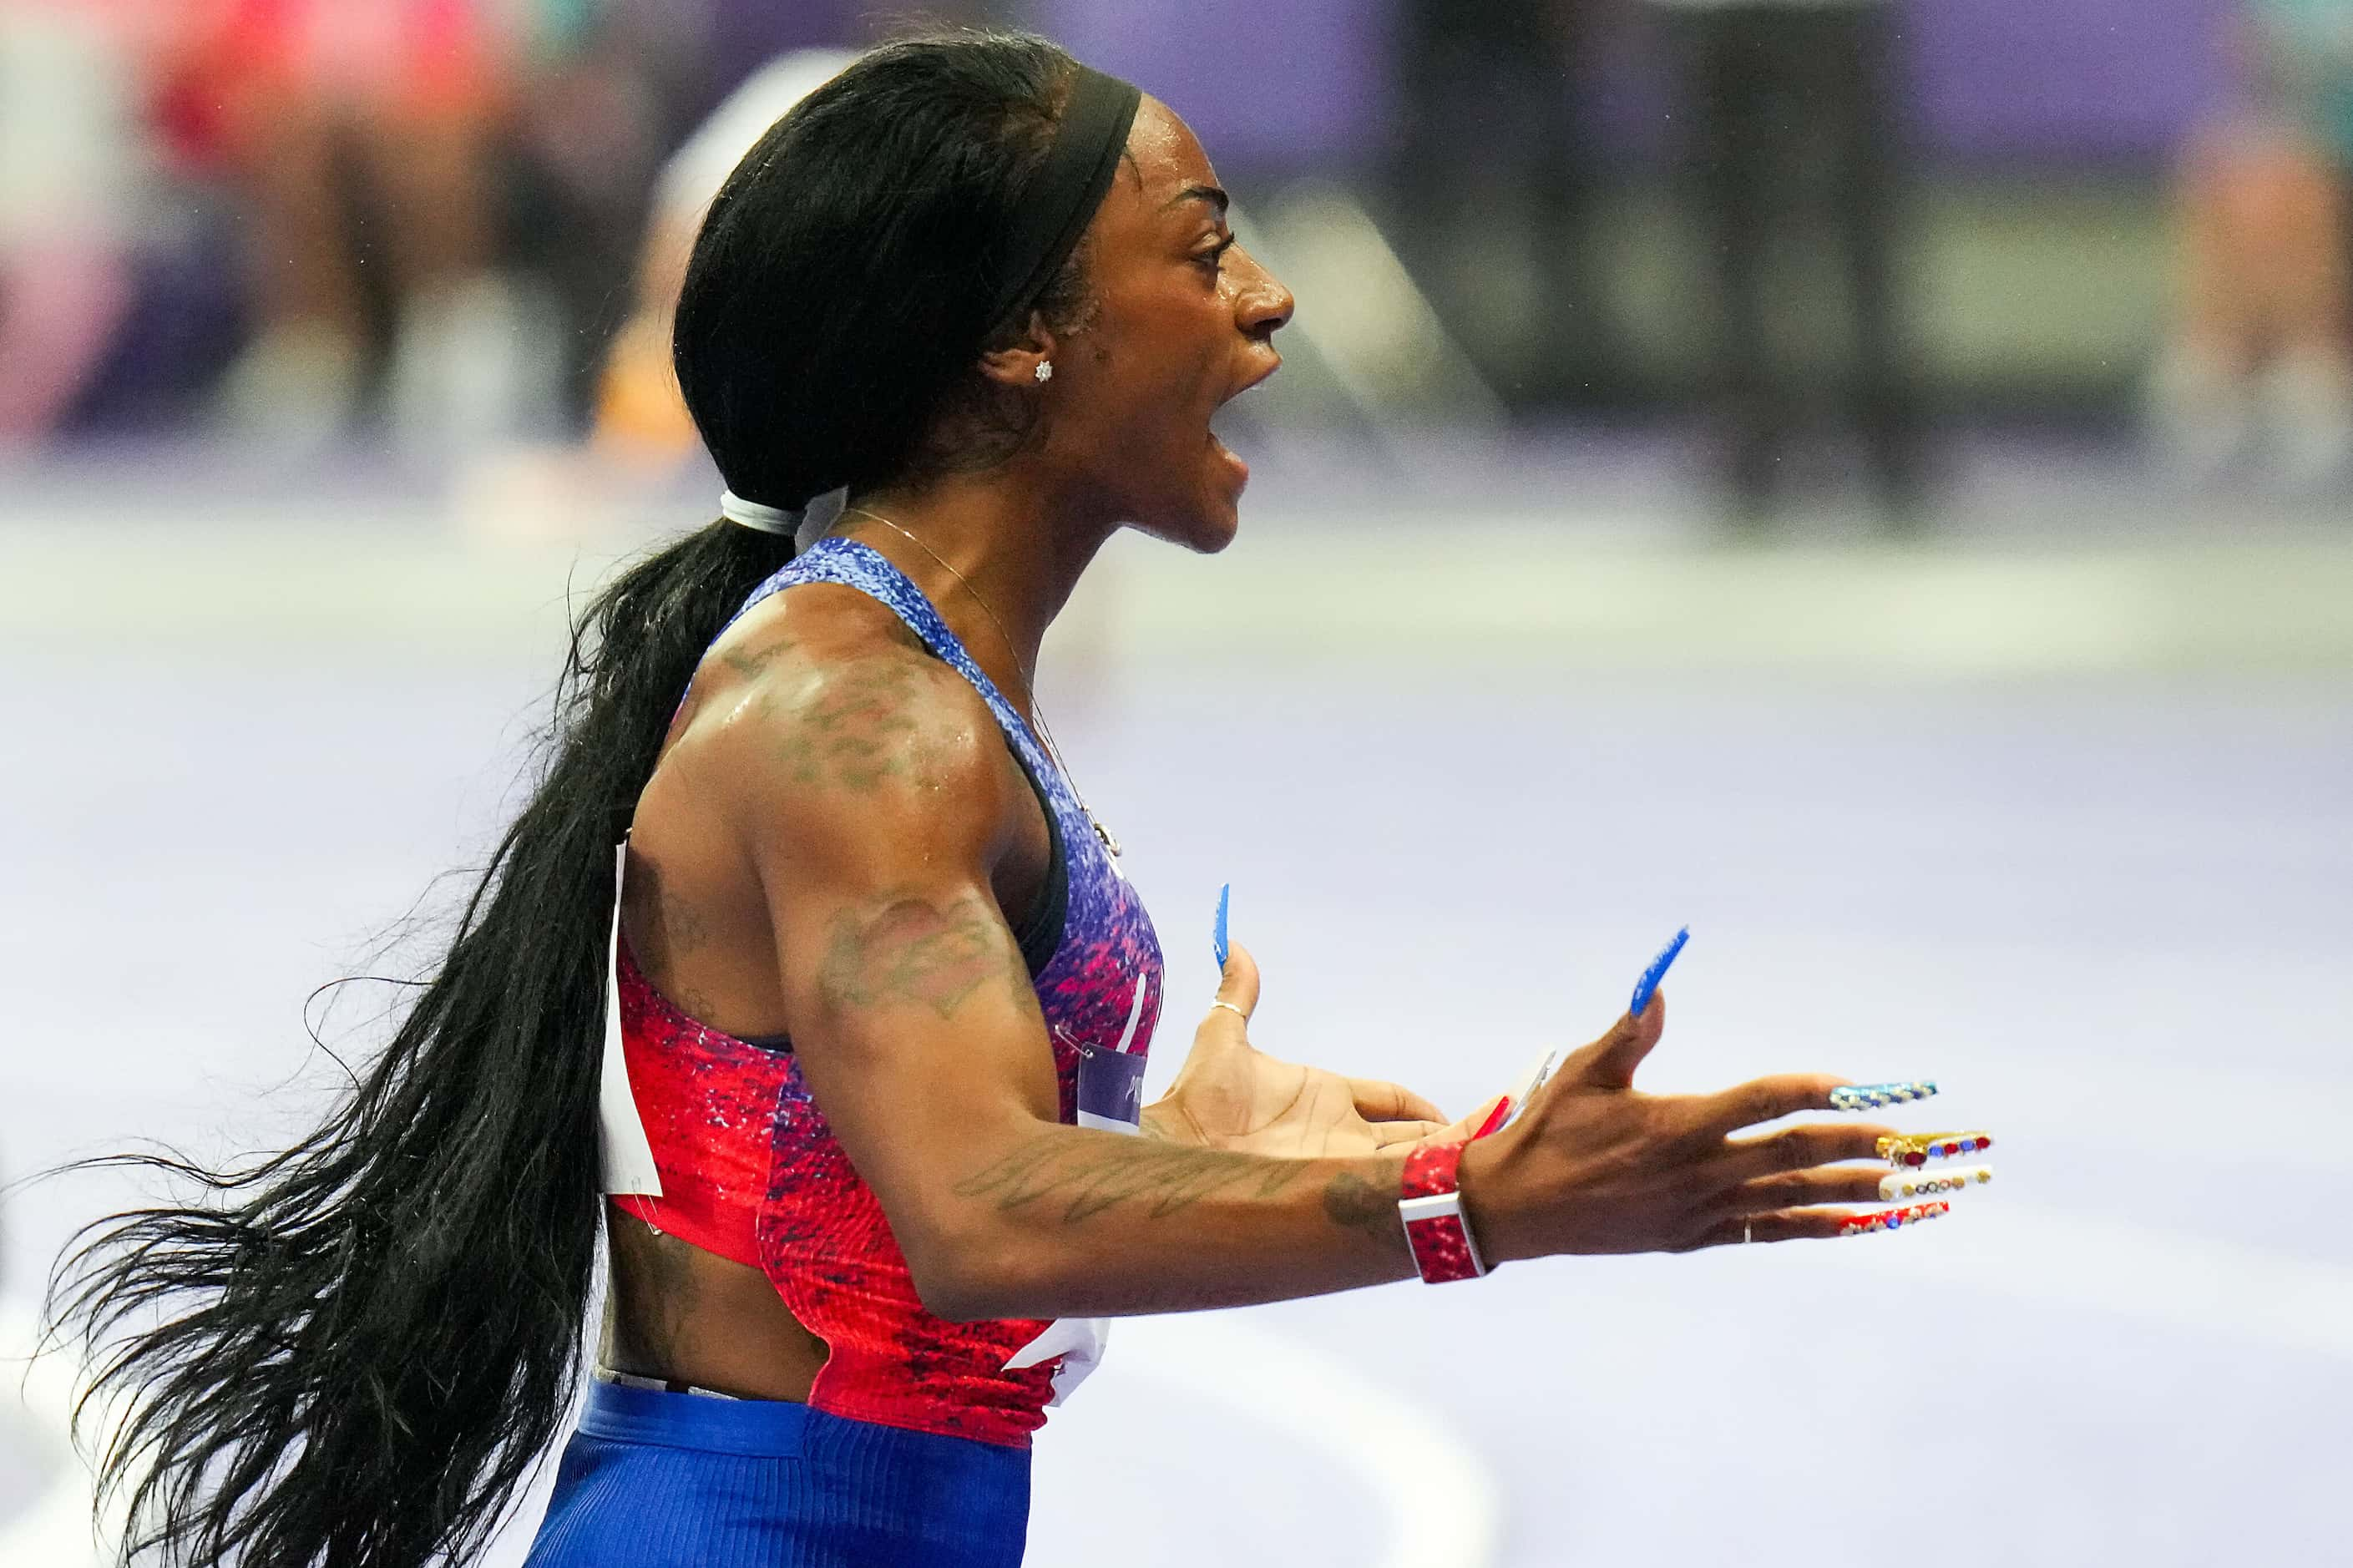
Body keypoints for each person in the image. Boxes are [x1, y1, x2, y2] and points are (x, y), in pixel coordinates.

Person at [52, 31, 1966, 1568]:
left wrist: (1191, 1134)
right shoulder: (852, 723)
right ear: (1016, 339)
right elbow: (975, 1214)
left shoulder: (915, 689)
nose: (1272, 303)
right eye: (1204, 250)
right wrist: (1462, 1203)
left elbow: (925, 1161)